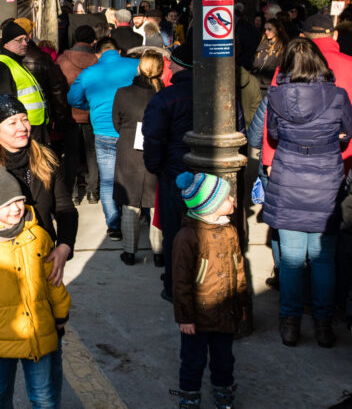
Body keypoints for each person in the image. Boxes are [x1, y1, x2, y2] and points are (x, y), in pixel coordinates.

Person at [262, 37, 352, 348]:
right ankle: (324, 326)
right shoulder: (338, 95)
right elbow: (347, 133)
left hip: (288, 177)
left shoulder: (276, 96)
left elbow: (273, 134)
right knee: (323, 258)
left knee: (291, 259)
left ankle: (290, 324)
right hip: (325, 178)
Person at [0, 95, 78, 309]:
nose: (22, 127)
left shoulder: (46, 159)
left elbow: (65, 209)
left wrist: (65, 246)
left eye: (24, 119)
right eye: (12, 122)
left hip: (38, 267)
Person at [0, 167, 70, 409]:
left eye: (19, 201)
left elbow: (53, 280)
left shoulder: (38, 236)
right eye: (7, 205)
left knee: (43, 396)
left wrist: (61, 312)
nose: (16, 209)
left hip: (38, 331)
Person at [171, 171, 248, 409]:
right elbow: (181, 281)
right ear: (210, 206)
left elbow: (239, 270)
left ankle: (223, 390)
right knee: (193, 360)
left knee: (224, 358)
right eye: (226, 198)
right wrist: (185, 317)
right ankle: (189, 395)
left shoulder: (231, 231)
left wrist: (241, 304)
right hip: (198, 315)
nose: (232, 201)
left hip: (225, 311)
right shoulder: (188, 236)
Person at [67, 37, 140, 240]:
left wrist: (90, 107)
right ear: (118, 52)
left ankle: (114, 225)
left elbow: (73, 99)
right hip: (132, 131)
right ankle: (134, 218)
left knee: (108, 181)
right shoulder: (136, 65)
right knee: (134, 176)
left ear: (97, 55)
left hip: (103, 131)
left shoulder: (89, 73)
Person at [142, 40, 195, 300]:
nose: (168, 66)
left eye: (171, 62)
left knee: (175, 234)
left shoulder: (165, 98)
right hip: (207, 174)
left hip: (174, 174)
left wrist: (155, 167)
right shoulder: (217, 93)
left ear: (179, 66)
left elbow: (153, 137)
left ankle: (176, 286)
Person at [112, 51, 165, 266]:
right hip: (156, 150)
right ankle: (159, 252)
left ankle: (129, 252)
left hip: (128, 153)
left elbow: (116, 123)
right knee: (156, 203)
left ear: (139, 68)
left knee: (130, 203)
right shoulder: (162, 95)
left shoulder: (123, 93)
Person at [0, 21, 50, 141]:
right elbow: (4, 105)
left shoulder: (16, 62)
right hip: (21, 131)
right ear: (6, 44)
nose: (25, 43)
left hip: (32, 127)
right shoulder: (0, 65)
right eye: (19, 40)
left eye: (26, 40)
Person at [57, 24, 99, 205]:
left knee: (71, 154)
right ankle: (92, 192)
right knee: (92, 153)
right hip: (92, 114)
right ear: (93, 41)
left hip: (70, 114)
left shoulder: (62, 60)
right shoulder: (97, 62)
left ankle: (72, 192)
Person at [251, 18, 287, 90]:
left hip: (271, 85)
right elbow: (255, 63)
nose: (267, 32)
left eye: (270, 29)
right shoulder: (262, 44)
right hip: (257, 84)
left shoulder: (283, 47)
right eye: (265, 29)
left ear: (278, 29)